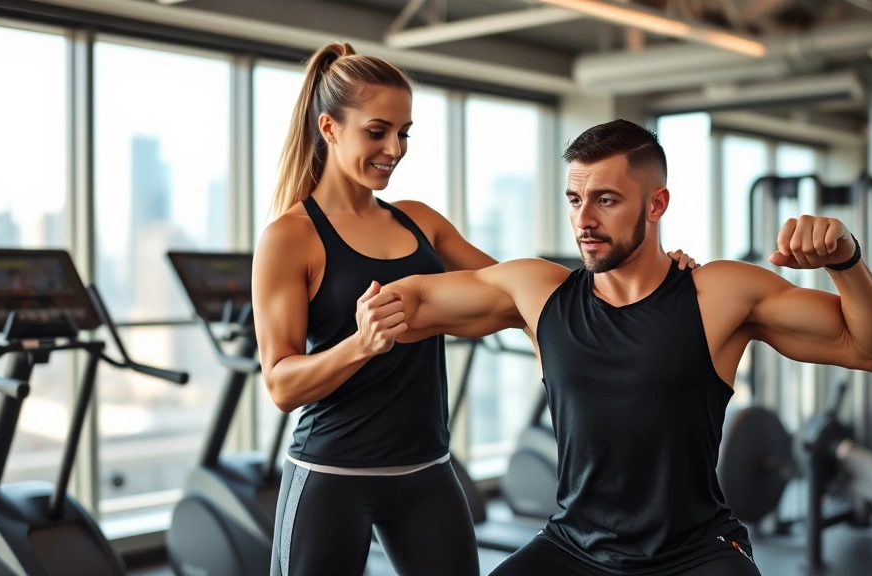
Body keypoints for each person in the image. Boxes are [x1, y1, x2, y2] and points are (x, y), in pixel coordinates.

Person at [380, 118, 872, 576]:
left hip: (695, 554)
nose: (584, 219)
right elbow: (410, 303)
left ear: (656, 204)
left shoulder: (717, 294)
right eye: (574, 199)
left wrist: (845, 260)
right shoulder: (538, 293)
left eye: (605, 200)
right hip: (573, 549)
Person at [251, 44, 699, 575]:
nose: (394, 148)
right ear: (329, 128)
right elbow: (280, 384)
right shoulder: (290, 237)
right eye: (378, 131)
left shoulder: (419, 222)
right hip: (331, 473)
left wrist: (650, 270)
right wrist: (360, 344)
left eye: (404, 132)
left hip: (427, 472)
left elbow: (524, 299)